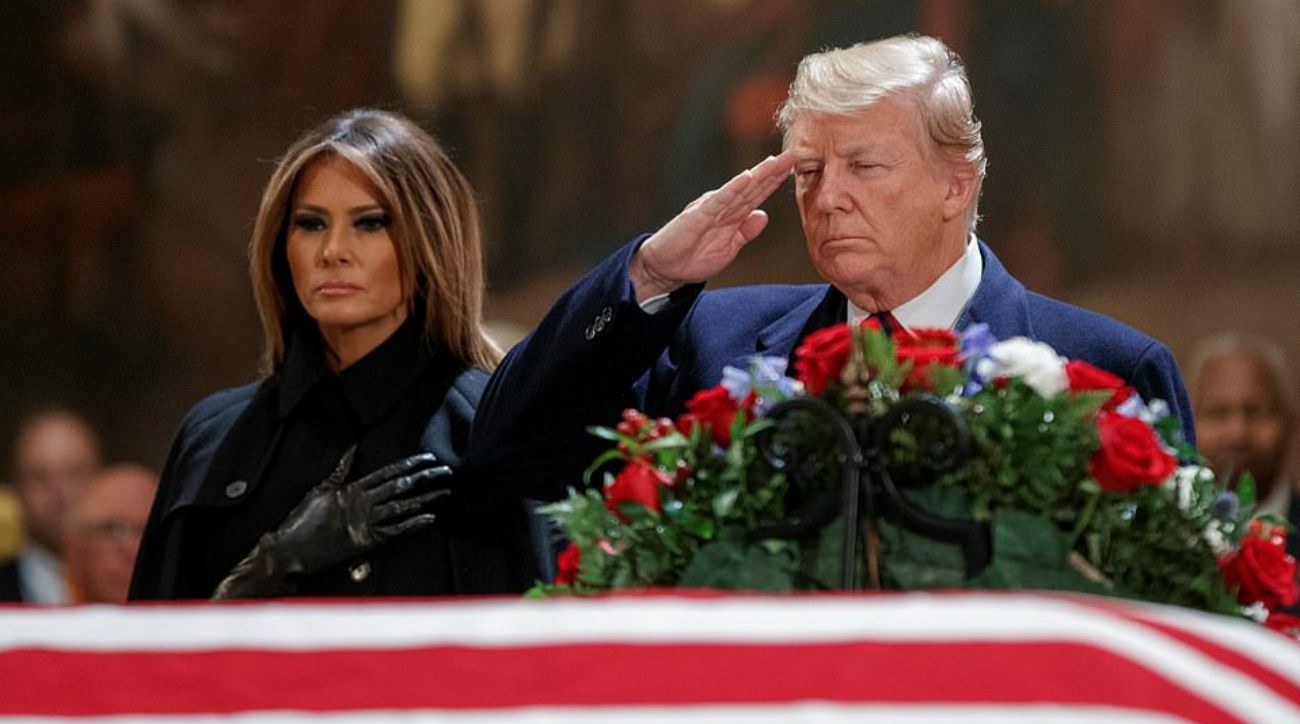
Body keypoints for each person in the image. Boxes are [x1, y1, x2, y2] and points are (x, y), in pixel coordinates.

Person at [470, 34, 1195, 505]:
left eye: (866, 167)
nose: (827, 198)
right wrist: (650, 276)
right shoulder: (712, 344)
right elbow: (507, 456)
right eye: (809, 170)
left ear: (957, 184)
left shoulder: (1107, 370)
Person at [130, 109, 544, 600]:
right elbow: (154, 656)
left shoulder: (488, 429)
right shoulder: (213, 439)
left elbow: (540, 651)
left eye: (369, 223)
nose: (333, 250)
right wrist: (272, 565)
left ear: (430, 240)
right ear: (282, 246)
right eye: (310, 223)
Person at [1189, 333, 1297, 557]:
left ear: (1291, 423)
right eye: (1218, 413)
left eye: (1255, 412)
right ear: (1187, 423)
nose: (1237, 435)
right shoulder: (1158, 537)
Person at [0, 409, 103, 603]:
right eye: (39, 477)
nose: (60, 493)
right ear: (17, 489)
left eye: (74, 474)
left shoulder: (137, 584)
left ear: (101, 479)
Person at [64, 464, 157, 603]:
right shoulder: (43, 622)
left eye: (148, 531)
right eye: (113, 529)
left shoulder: (198, 620)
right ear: (74, 550)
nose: (134, 549)